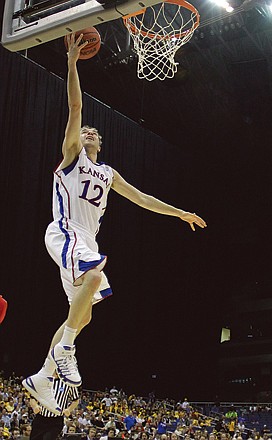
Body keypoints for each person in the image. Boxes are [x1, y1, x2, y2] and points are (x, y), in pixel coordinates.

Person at [22, 33, 207, 415]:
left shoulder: (108, 173)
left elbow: (142, 198)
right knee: (92, 278)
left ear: (101, 144)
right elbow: (76, 108)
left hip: (85, 238)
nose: (87, 132)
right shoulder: (73, 156)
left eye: (93, 133)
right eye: (85, 131)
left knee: (84, 313)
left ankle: (43, 373)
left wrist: (180, 213)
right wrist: (72, 64)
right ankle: (66, 352)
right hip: (66, 230)